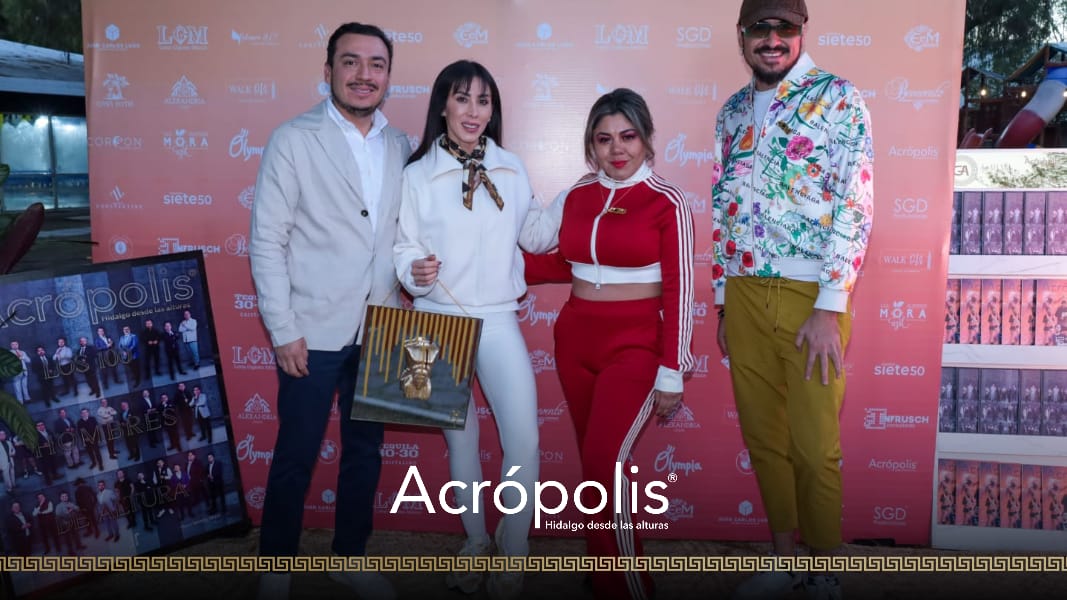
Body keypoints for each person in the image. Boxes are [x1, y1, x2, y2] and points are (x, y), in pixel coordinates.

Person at [710, 1, 874, 598]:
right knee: (764, 440)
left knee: (815, 444)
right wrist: (725, 298)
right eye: (761, 29)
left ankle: (825, 566)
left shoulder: (838, 97)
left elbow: (855, 204)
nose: (772, 40)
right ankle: (784, 559)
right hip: (746, 293)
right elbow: (724, 209)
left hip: (813, 295)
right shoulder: (730, 113)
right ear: (743, 37)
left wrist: (831, 306)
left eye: (785, 28)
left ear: (801, 33)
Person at [249, 21, 409, 600]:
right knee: (296, 452)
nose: (364, 75)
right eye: (351, 62)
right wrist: (283, 328)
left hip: (381, 325)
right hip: (310, 330)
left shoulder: (401, 145)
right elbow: (267, 240)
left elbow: (403, 233)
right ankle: (275, 568)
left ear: (388, 75)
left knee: (365, 451)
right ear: (329, 71)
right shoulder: (293, 139)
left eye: (376, 64)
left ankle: (349, 555)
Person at [394, 59, 558, 600]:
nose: (473, 111)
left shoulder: (511, 167)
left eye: (483, 101)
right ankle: (475, 541)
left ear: (494, 110)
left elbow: (533, 236)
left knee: (524, 441)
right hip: (435, 323)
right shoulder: (416, 174)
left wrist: (581, 194)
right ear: (442, 104)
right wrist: (412, 271)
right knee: (459, 442)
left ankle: (513, 552)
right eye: (462, 99)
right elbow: (404, 246)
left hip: (496, 318)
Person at [523, 88, 695, 600]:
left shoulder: (668, 202)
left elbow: (681, 287)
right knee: (598, 470)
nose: (617, 149)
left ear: (646, 140)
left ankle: (623, 587)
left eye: (628, 137)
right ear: (590, 146)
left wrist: (673, 369)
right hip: (575, 339)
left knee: (603, 465)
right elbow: (560, 262)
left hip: (636, 345)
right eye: (604, 139)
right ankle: (608, 571)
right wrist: (479, 264)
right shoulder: (577, 194)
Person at [77, 407, 105, 471]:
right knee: (90, 453)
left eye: (85, 412)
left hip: (94, 439)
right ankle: (94, 463)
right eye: (83, 413)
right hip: (87, 441)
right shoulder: (79, 422)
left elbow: (97, 429)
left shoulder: (93, 419)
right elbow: (79, 433)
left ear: (88, 413)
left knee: (97, 452)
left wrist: (99, 438)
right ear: (81, 414)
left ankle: (100, 465)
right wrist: (84, 440)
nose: (84, 414)